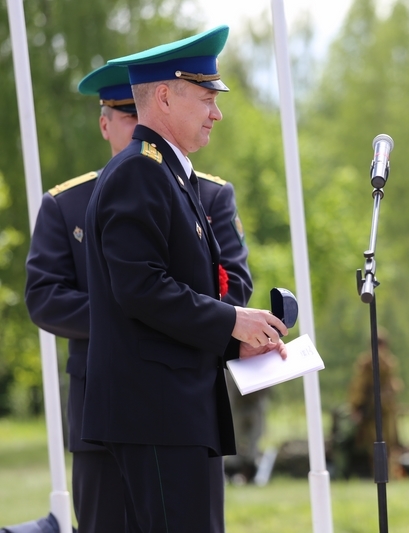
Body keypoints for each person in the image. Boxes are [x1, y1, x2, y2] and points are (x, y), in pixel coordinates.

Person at [24, 62, 250, 532]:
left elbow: (227, 283)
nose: (216, 114)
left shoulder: (195, 187)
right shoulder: (97, 190)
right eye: (207, 100)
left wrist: (234, 327)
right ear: (107, 121)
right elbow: (61, 296)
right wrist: (123, 324)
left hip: (174, 397)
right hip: (136, 397)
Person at [81, 26, 288, 532]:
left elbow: (187, 286)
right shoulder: (141, 171)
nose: (217, 113)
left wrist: (235, 339)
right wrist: (232, 322)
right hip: (157, 411)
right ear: (166, 96)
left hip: (174, 407)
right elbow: (142, 288)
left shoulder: (170, 172)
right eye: (206, 97)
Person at [346, 329, 403, 478]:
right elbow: (358, 387)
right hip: (371, 410)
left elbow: (393, 384)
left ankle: (390, 474)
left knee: (390, 443)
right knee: (375, 443)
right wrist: (356, 407)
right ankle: (379, 475)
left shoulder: (390, 362)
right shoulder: (366, 363)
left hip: (387, 410)